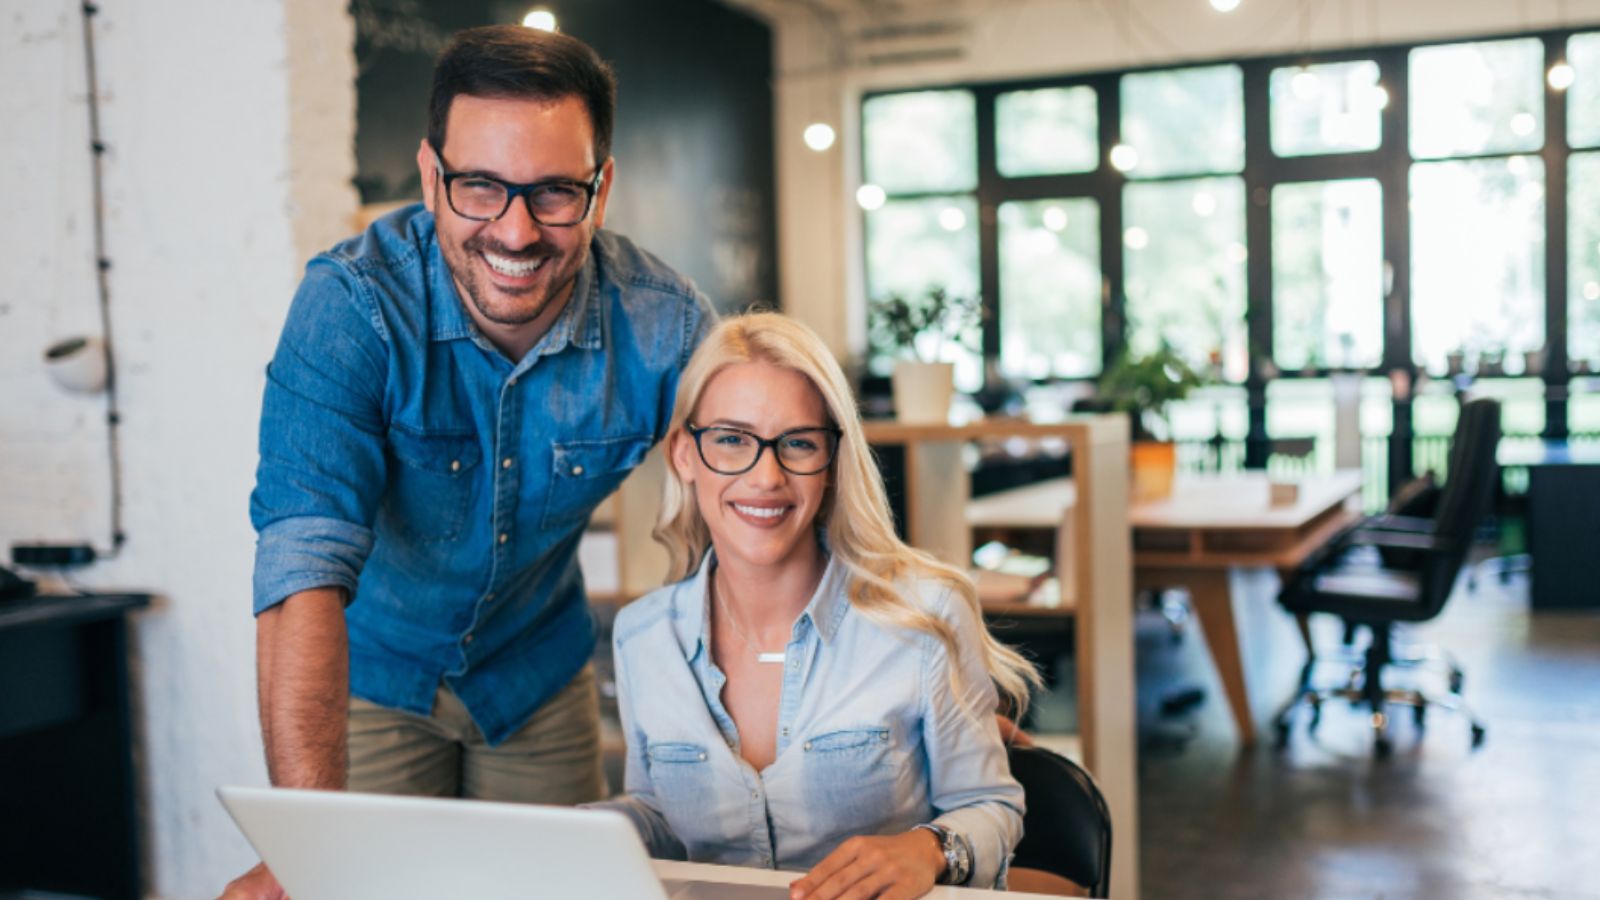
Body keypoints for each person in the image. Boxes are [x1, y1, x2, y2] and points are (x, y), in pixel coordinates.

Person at [224, 25, 715, 898]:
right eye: (480, 187)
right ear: (430, 178)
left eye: (555, 192)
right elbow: (301, 570)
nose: (516, 232)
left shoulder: (664, 327)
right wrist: (308, 849)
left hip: (538, 676)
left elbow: (779, 507)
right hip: (371, 679)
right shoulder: (351, 307)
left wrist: (926, 678)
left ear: (601, 190)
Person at [590, 313, 1039, 899]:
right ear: (684, 454)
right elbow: (660, 817)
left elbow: (992, 805)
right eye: (731, 439)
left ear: (830, 463)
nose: (766, 476)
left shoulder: (925, 617)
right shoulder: (642, 636)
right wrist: (586, 829)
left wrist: (929, 849)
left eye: (798, 443)